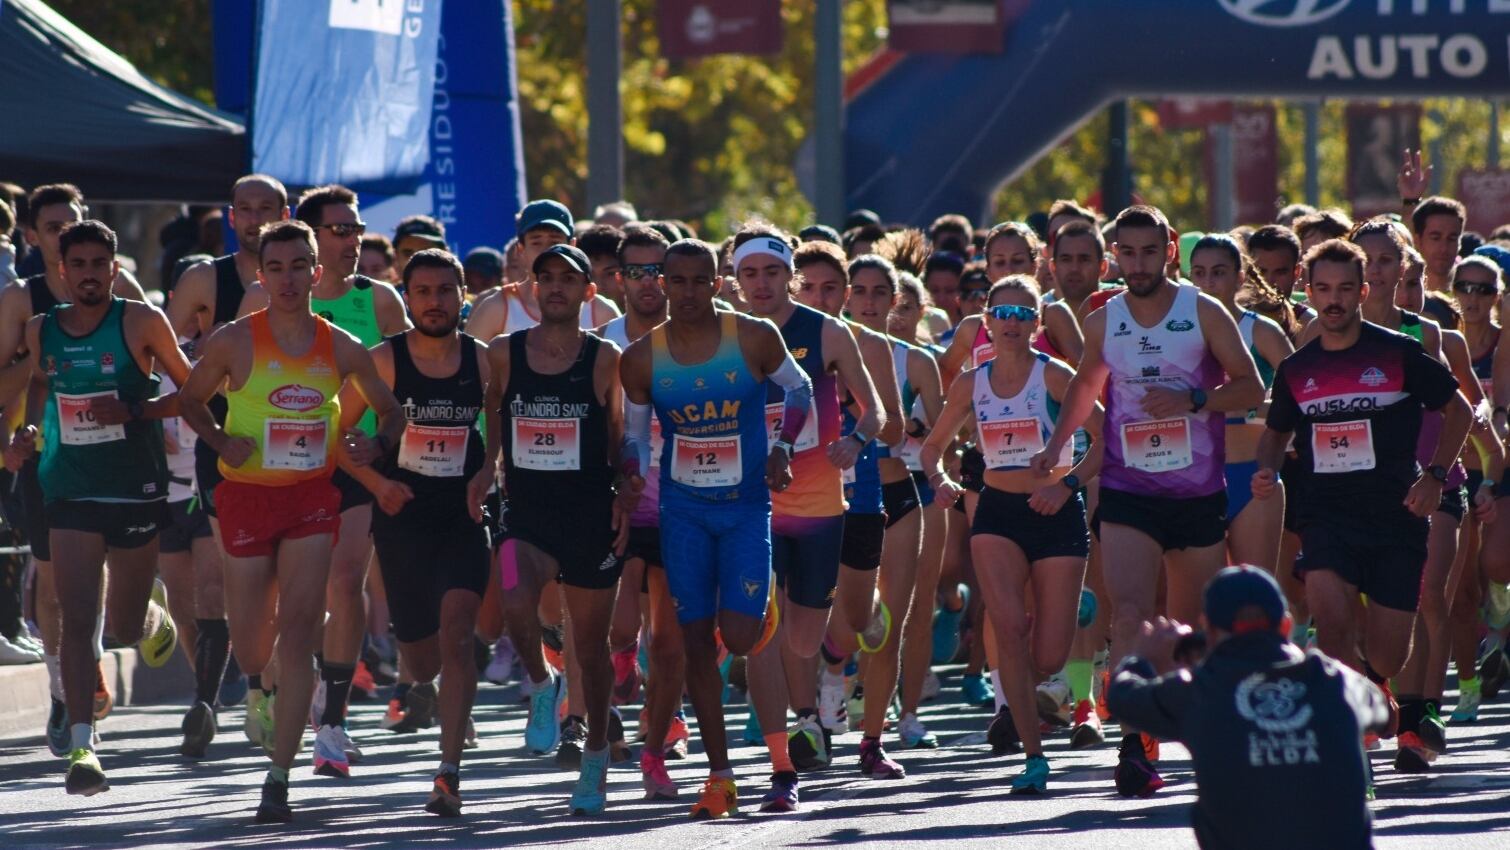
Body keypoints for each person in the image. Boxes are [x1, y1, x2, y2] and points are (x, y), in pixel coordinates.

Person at [1031, 205, 1265, 797]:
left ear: (1169, 249)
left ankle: (1196, 727)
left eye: (1148, 252)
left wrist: (1192, 400)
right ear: (1117, 256)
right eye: (1127, 253)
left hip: (1197, 490)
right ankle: (1134, 745)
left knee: (1188, 629)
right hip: (1128, 488)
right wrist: (1057, 446)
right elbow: (1085, 388)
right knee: (1130, 613)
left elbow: (1250, 386)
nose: (1137, 264)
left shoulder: (1202, 311)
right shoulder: (1105, 319)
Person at [178, 219, 404, 823]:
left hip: (310, 499)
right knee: (254, 646)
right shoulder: (234, 341)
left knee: (300, 633)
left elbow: (390, 409)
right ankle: (264, 682)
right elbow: (190, 399)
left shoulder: (339, 346)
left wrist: (374, 447)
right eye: (275, 268)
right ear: (261, 275)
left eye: (298, 266)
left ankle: (278, 779)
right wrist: (221, 440)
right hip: (248, 499)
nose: (287, 278)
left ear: (316, 271)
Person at [1252, 238, 1471, 775]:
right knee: (1330, 621)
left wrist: (1436, 478)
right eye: (1323, 289)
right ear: (1309, 291)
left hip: (1396, 514)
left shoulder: (1396, 351)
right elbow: (1276, 432)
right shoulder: (1298, 369)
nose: (1333, 301)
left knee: (1391, 653)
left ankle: (1377, 683)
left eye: (1345, 289)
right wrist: (1265, 469)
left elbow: (1459, 411)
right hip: (1325, 513)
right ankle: (1346, 746)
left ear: (1362, 291)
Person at [620, 237, 808, 819]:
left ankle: (755, 607)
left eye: (701, 281)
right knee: (695, 643)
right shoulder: (641, 358)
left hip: (747, 506)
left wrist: (781, 448)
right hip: (683, 513)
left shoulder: (752, 337)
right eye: (677, 281)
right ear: (663, 285)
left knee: (744, 638)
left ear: (717, 283)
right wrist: (628, 474)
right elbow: (635, 435)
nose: (688, 292)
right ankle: (720, 775)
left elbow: (798, 390)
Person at [3, 220, 189, 795]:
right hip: (69, 486)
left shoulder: (140, 321)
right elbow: (38, 381)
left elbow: (191, 388)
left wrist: (137, 414)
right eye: (76, 264)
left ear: (114, 269)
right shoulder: (42, 329)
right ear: (61, 272)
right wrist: (29, 428)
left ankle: (152, 614)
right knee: (78, 618)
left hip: (134, 487)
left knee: (125, 627)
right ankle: (83, 746)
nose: (87, 274)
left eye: (97, 265)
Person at [925, 276, 1104, 794]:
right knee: (1008, 633)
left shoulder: (1055, 377)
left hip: (1055, 512)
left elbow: (1104, 438)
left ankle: (1073, 607)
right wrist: (940, 480)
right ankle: (1034, 757)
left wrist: (1066, 483)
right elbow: (931, 448)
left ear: (1037, 324)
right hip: (998, 513)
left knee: (1048, 658)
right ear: (987, 322)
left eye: (1023, 314)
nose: (1011, 322)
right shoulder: (969, 382)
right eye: (1002, 312)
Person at [338, 248, 492, 816]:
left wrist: (487, 468)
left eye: (445, 291)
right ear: (406, 299)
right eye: (423, 292)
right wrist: (376, 486)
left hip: (462, 515)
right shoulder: (384, 361)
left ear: (461, 297)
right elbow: (339, 432)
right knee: (423, 661)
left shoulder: (483, 361)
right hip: (401, 517)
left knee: (457, 637)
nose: (435, 302)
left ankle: (448, 772)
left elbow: (496, 427)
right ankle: (433, 690)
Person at [736, 224, 885, 809]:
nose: (761, 284)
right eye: (749, 274)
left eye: (772, 273)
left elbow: (875, 413)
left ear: (788, 276)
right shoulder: (729, 335)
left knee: (802, 639)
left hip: (822, 508)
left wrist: (854, 444)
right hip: (754, 506)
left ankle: (830, 662)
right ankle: (785, 755)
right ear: (737, 280)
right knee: (759, 629)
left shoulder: (827, 332)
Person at [0, 183, 150, 756]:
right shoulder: (23, 300)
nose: (67, 234)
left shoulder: (120, 289)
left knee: (118, 609)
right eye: (55, 228)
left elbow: (155, 355)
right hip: (50, 459)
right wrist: (41, 366)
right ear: (34, 239)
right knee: (54, 583)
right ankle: (66, 691)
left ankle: (144, 614)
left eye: (75, 222)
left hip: (122, 458)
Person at [488, 243, 628, 815]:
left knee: (591, 652)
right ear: (529, 289)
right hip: (528, 514)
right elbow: (493, 420)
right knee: (515, 596)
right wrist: (482, 474)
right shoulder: (503, 353)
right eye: (543, 279)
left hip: (591, 515)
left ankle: (594, 754)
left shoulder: (604, 359)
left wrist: (628, 492)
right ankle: (542, 685)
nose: (554, 288)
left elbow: (621, 437)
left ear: (587, 293)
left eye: (567, 280)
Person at [1106, 566, 1389, 850]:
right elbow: (1389, 718)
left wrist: (1143, 658)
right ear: (1287, 627)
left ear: (1210, 633)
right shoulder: (1336, 681)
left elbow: (1120, 695)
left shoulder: (1201, 690)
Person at [167, 174, 289, 748]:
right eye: (246, 209)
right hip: (223, 443)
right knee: (223, 576)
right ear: (230, 214)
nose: (257, 218)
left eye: (268, 208)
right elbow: (162, 356)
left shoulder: (305, 281)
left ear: (286, 212)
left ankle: (269, 688)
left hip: (293, 443)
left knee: (280, 581)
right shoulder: (201, 278)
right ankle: (209, 701)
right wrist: (205, 351)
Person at [791, 243, 907, 768]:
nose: (821, 297)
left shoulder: (867, 344)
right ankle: (808, 724)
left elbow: (894, 426)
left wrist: (851, 431)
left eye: (831, 288)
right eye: (809, 287)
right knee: (797, 610)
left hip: (858, 493)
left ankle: (864, 615)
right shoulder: (773, 342)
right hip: (794, 500)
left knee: (855, 617)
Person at [596, 227, 691, 797]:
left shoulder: (705, 336)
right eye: (636, 272)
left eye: (660, 271)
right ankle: (619, 667)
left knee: (671, 641)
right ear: (618, 279)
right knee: (622, 627)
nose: (649, 282)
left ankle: (658, 745)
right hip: (625, 505)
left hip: (688, 504)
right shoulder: (602, 343)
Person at [1187, 235, 1295, 572]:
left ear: (1240, 277)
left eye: (1218, 272)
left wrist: (1251, 407)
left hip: (1252, 477)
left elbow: (1304, 395)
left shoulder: (1261, 331)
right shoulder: (1178, 333)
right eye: (1199, 273)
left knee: (1255, 595)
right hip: (1191, 478)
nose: (1208, 282)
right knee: (1197, 603)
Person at [464, 200, 620, 340]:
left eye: (554, 241)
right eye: (536, 242)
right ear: (520, 250)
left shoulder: (601, 312)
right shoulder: (496, 308)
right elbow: (469, 367)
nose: (546, 250)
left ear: (572, 246)